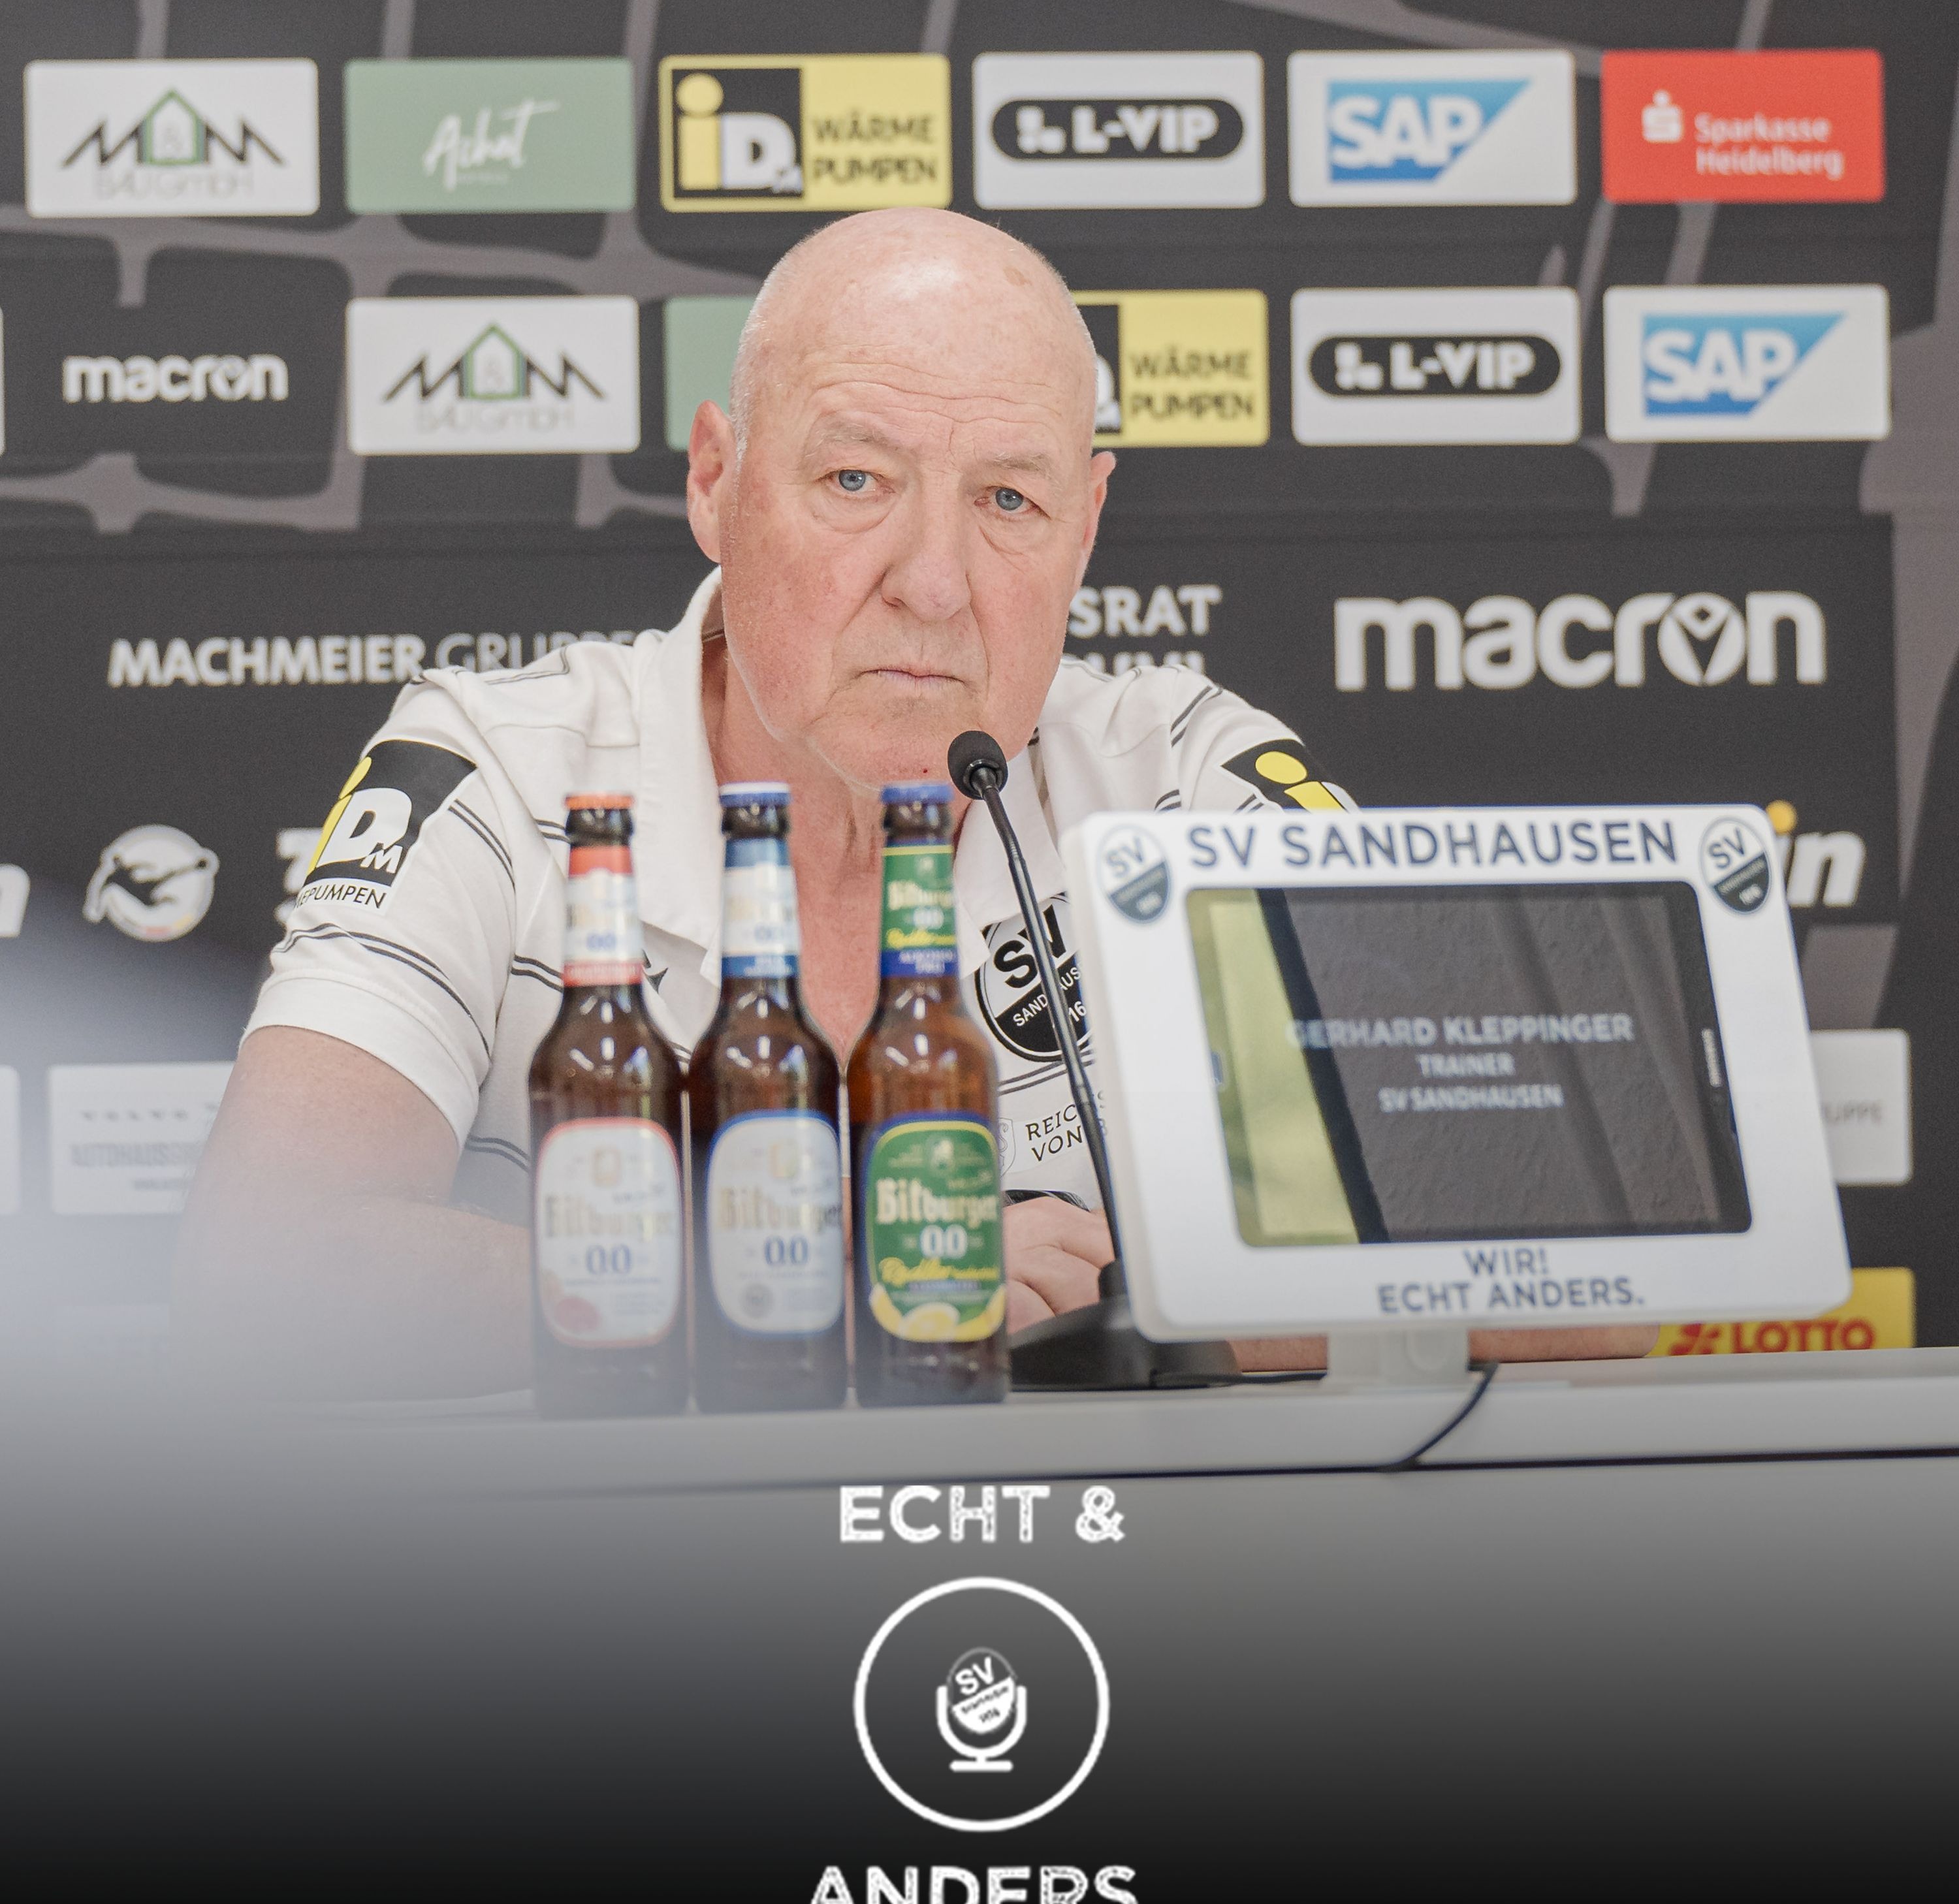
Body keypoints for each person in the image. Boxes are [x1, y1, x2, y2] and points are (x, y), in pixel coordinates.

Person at [174, 210, 1651, 1393]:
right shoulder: (497, 770)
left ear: (1087, 526)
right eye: (857, 479)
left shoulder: (1184, 775)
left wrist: (1127, 1311)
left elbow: (1586, 1267)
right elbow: (263, 1273)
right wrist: (837, 1289)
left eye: (1009, 500)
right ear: (716, 480)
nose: (935, 584)